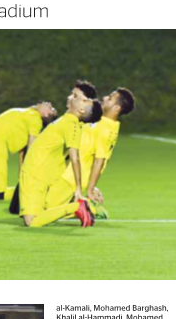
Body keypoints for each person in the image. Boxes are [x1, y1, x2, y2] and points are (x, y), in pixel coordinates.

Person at [18, 82, 102, 229]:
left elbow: (74, 156)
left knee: (32, 222)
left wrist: (78, 188)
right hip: (41, 171)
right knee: (43, 212)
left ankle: (75, 207)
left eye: (75, 96)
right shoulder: (68, 121)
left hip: (36, 173)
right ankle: (83, 208)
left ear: (81, 108)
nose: (70, 97)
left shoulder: (72, 125)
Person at [49, 86, 135, 220]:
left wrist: (90, 189)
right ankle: (84, 206)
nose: (105, 98)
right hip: (64, 171)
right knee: (38, 207)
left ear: (116, 108)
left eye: (110, 98)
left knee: (45, 212)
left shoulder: (106, 130)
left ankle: (90, 209)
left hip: (70, 178)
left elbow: (99, 161)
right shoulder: (101, 122)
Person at [0, 101, 56, 201]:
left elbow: (30, 149)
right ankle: (26, 191)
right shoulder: (28, 113)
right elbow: (23, 153)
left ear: (45, 114)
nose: (49, 104)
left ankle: (33, 194)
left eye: (51, 108)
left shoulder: (35, 119)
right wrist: (22, 178)